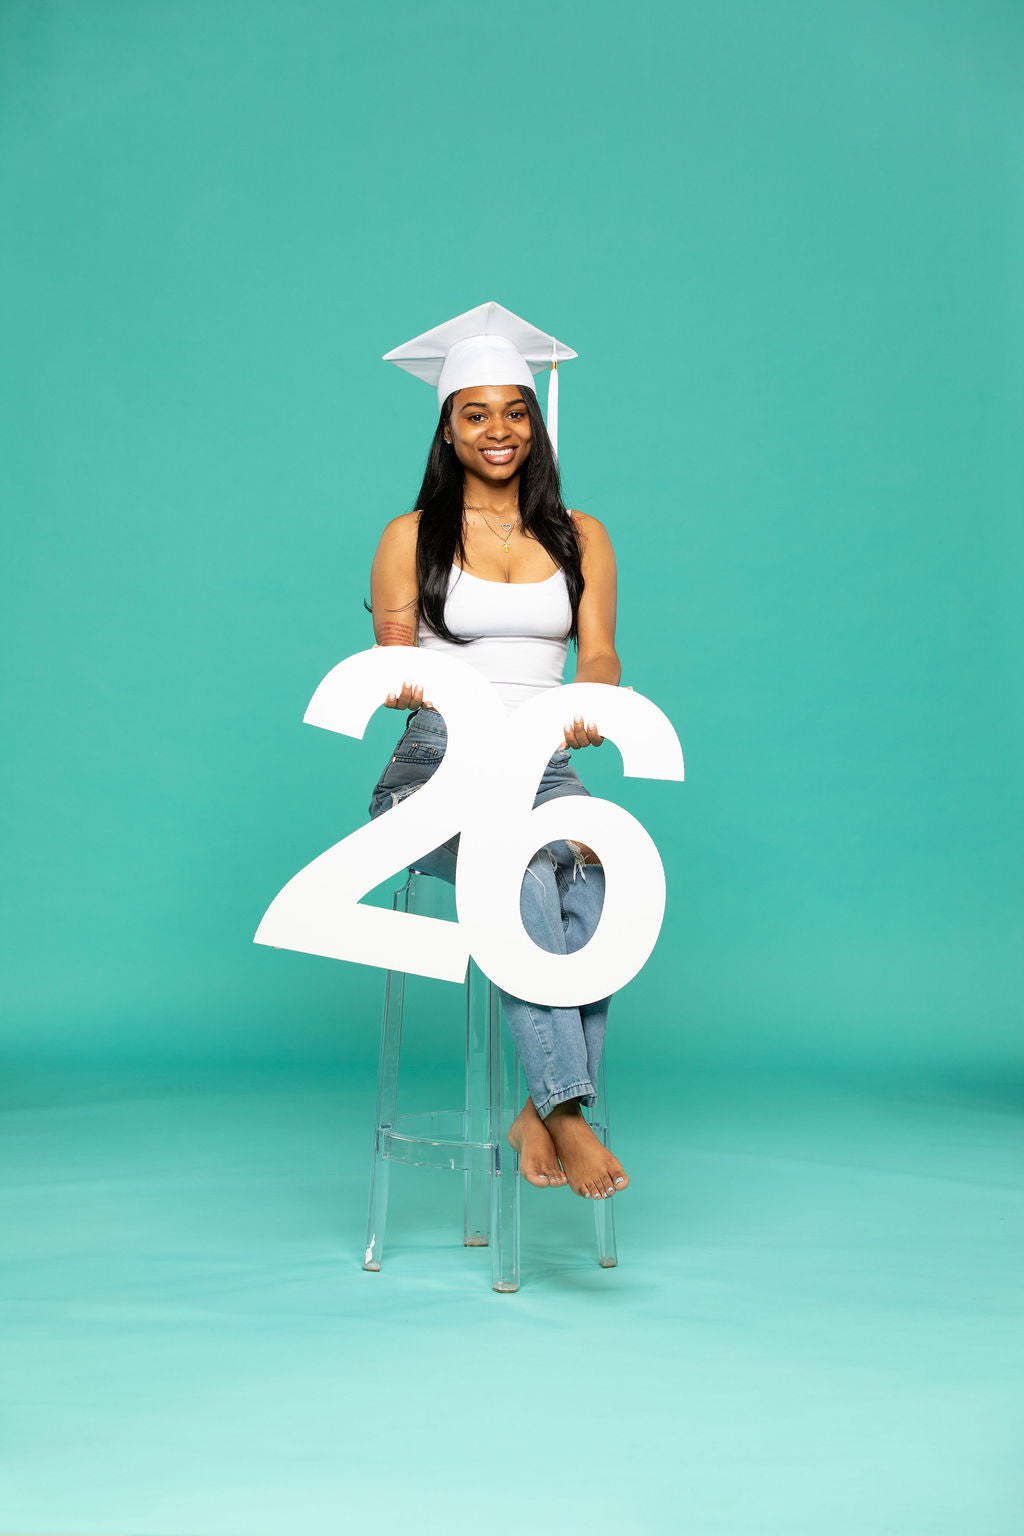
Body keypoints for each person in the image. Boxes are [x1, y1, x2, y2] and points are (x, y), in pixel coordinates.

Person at [367, 302, 628, 1203]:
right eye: (475, 413)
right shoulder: (410, 537)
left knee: (603, 878)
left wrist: (596, 695)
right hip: (435, 770)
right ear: (447, 428)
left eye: (515, 411)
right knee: (520, 877)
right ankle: (566, 1114)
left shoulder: (581, 535)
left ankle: (539, 1106)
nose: (499, 430)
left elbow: (597, 650)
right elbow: (389, 656)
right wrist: (401, 678)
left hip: (545, 764)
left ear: (536, 422)